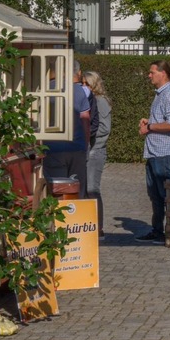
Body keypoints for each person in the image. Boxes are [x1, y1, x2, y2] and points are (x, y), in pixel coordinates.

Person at [137, 60, 170, 243]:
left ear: (163, 73)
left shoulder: (169, 95)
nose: (149, 75)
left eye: (152, 72)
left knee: (166, 194)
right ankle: (158, 230)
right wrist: (148, 121)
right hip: (155, 151)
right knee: (155, 194)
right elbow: (163, 119)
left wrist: (149, 127)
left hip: (164, 151)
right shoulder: (160, 94)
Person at [43, 60, 90, 198]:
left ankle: (56, 218)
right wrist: (85, 145)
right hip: (76, 147)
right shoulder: (78, 89)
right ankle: (77, 217)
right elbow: (85, 120)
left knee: (57, 190)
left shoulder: (45, 88)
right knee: (77, 190)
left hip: (52, 147)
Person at [83, 70, 111, 238]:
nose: (84, 87)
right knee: (87, 189)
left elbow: (104, 128)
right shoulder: (89, 100)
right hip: (90, 148)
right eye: (83, 84)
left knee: (93, 189)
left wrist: (88, 135)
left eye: (88, 84)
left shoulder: (100, 101)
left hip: (96, 149)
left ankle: (98, 227)